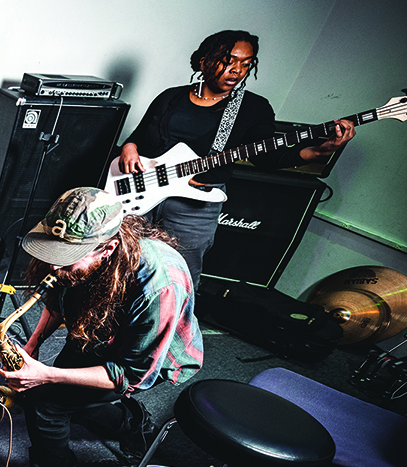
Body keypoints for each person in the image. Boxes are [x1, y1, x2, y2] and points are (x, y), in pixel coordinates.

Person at [0, 187, 203, 467]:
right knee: (70, 397)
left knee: (47, 403)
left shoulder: (159, 282)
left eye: (67, 260)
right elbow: (58, 302)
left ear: (109, 247)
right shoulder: (76, 261)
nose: (55, 269)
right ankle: (133, 425)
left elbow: (133, 374)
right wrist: (33, 344)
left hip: (149, 356)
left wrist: (46, 375)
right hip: (97, 329)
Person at [118, 29, 355, 287]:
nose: (237, 70)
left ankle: (172, 326)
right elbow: (139, 137)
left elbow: (269, 157)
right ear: (203, 61)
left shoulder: (252, 108)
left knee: (177, 279)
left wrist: (321, 151)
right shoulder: (170, 97)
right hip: (141, 193)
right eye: (228, 60)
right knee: (122, 265)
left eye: (246, 63)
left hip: (193, 206)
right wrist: (129, 146)